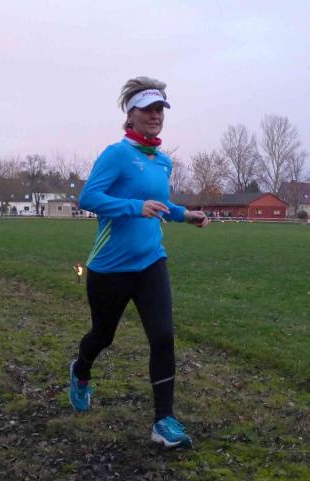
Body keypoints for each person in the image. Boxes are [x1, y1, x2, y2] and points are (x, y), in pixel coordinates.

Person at [69, 76, 209, 449]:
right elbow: (89, 198)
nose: (155, 115)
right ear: (131, 115)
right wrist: (134, 207)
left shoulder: (163, 162)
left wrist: (185, 215)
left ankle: (163, 420)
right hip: (110, 267)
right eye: (148, 109)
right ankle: (80, 371)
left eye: (160, 109)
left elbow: (160, 206)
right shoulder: (116, 154)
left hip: (150, 262)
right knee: (103, 337)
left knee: (163, 337)